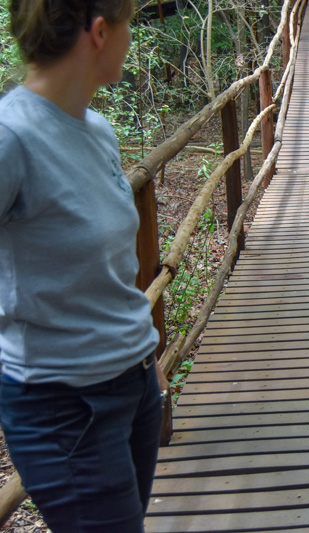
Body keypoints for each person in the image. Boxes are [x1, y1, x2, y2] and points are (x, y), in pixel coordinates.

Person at [0, 2, 169, 531]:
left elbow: (110, 271)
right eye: (127, 26)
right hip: (63, 405)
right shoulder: (12, 138)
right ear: (99, 32)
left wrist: (147, 358)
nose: (128, 38)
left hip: (133, 384)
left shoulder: (96, 129)